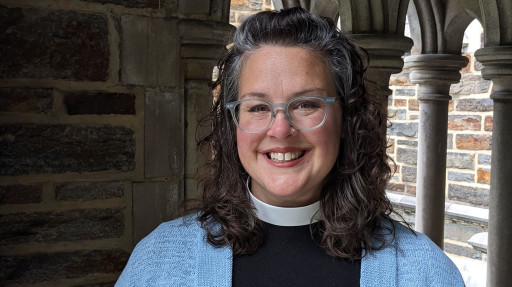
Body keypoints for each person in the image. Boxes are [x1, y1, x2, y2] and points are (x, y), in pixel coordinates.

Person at [115, 7, 465, 287]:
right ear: (232, 125)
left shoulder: (423, 273)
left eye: (306, 104)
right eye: (257, 107)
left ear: (346, 119)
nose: (280, 129)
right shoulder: (159, 263)